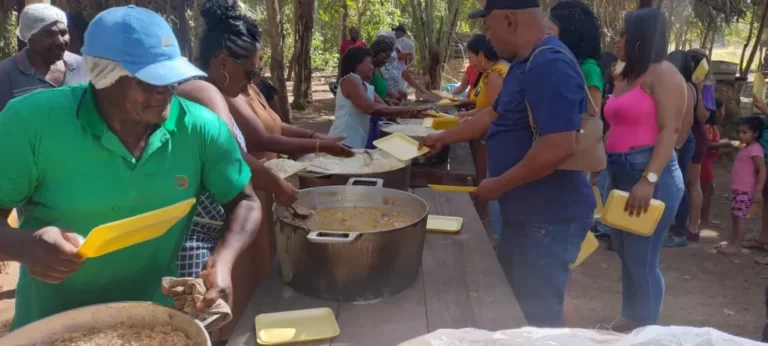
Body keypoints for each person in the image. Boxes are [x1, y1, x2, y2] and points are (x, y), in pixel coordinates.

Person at [0, 5, 262, 330]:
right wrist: (27, 246)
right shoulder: (32, 123)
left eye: (171, 76)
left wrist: (223, 260)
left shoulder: (199, 129)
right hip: (53, 328)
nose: (165, 90)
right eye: (149, 80)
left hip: (154, 324)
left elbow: (245, 200)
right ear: (102, 77)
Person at [177, 1, 351, 340]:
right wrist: (281, 188)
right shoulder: (203, 92)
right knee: (210, 329)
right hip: (199, 241)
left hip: (218, 234)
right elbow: (234, 157)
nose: (251, 83)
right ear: (223, 63)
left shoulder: (207, 90)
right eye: (250, 73)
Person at [422, 0, 594, 327]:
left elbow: (559, 144)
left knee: (539, 318)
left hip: (546, 219)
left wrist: (499, 185)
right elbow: (492, 114)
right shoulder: (524, 63)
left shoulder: (549, 64)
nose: (488, 37)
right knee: (514, 306)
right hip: (526, 215)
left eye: (489, 27)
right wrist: (444, 137)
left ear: (510, 21)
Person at [603, 8, 685, 331]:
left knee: (642, 258)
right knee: (626, 253)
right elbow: (616, 124)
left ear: (640, 38)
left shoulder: (663, 74)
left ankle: (648, 329)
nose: (618, 40)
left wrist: (649, 179)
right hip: (620, 172)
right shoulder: (627, 75)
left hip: (650, 174)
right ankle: (631, 316)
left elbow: (670, 130)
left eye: (624, 34)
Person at [546, 0, 604, 328]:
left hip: (573, 172)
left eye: (551, 27)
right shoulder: (563, 62)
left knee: (558, 282)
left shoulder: (589, 68)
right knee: (556, 279)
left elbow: (590, 115)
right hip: (563, 173)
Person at [329, 46, 430, 149]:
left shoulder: (366, 86)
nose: (372, 67)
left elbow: (385, 108)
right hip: (343, 141)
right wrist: (408, 109)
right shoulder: (350, 80)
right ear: (358, 65)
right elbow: (370, 108)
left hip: (356, 142)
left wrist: (412, 110)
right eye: (369, 63)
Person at [0, 3, 88, 111]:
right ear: (29, 38)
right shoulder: (5, 74)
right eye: (49, 34)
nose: (60, 41)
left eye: (63, 33)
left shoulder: (83, 66)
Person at [673, 48, 716, 243]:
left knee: (692, 182)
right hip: (688, 134)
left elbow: (703, 117)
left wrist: (698, 93)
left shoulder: (705, 87)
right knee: (686, 181)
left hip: (696, 135)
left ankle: (693, 226)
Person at [714, 117, 767, 255]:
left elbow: (762, 170)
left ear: (756, 133)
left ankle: (736, 246)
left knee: (740, 217)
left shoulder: (756, 150)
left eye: (744, 132)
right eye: (739, 132)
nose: (740, 135)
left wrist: (758, 190)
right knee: (735, 216)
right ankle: (733, 242)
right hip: (738, 190)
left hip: (746, 191)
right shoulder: (747, 148)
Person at [663, 50, 699, 248]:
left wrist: (676, 147)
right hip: (675, 139)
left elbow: (687, 122)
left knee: (679, 186)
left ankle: (678, 233)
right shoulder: (677, 84)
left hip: (681, 141)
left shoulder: (684, 86)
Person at [701, 99, 727, 228]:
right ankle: (704, 219)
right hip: (703, 163)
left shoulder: (712, 126)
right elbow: (708, 144)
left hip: (707, 162)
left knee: (707, 191)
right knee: (707, 191)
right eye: (722, 109)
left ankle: (703, 218)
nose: (723, 112)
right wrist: (725, 143)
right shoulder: (707, 127)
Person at [393, 24, 415, 92]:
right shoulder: (390, 59)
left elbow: (408, 78)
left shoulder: (406, 45)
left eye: (396, 32)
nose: (395, 34)